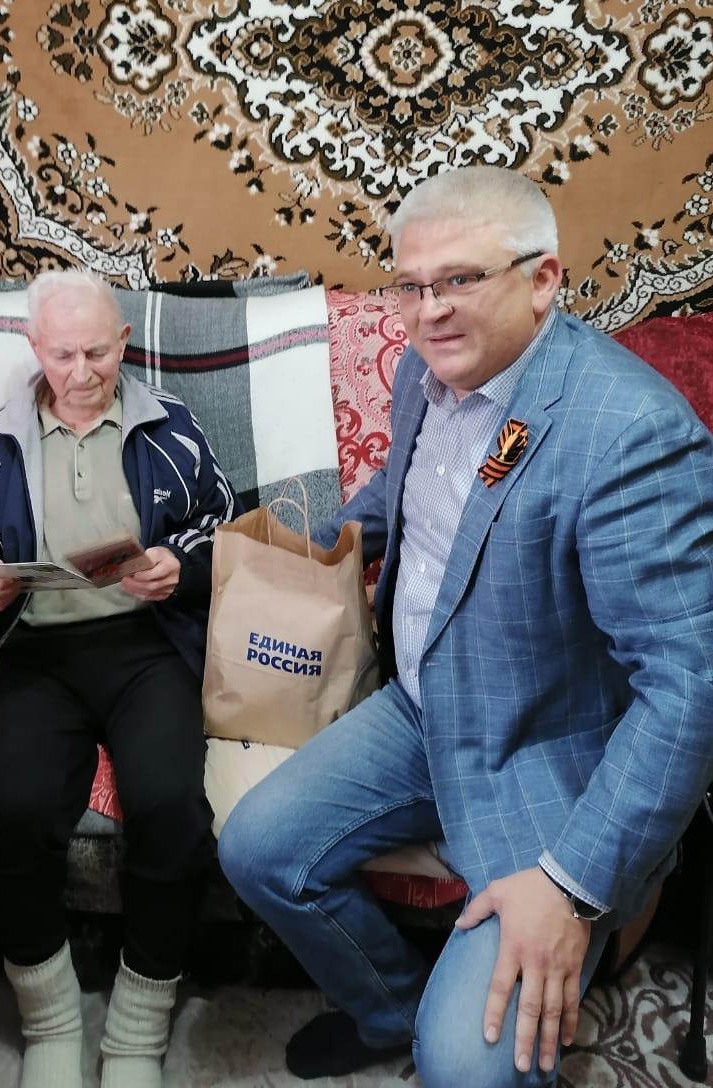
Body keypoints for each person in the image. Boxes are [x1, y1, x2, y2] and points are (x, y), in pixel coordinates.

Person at [217, 165, 713, 1087]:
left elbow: (689, 690)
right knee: (256, 849)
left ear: (543, 279)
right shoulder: (427, 368)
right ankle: (389, 1011)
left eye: (460, 279)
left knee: (465, 1068)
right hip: (422, 706)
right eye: (410, 286)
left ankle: (622, 901)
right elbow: (404, 494)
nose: (429, 310)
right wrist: (308, 552)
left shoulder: (630, 433)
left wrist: (571, 885)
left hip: (548, 749)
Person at [0, 269, 241, 1088]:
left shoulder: (169, 428)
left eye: (98, 353)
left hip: (147, 646)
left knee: (172, 810)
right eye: (63, 354)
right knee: (18, 815)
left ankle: (138, 1027)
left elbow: (221, 521)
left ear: (123, 343)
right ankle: (51, 1021)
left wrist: (180, 565)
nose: (82, 372)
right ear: (35, 348)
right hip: (40, 653)